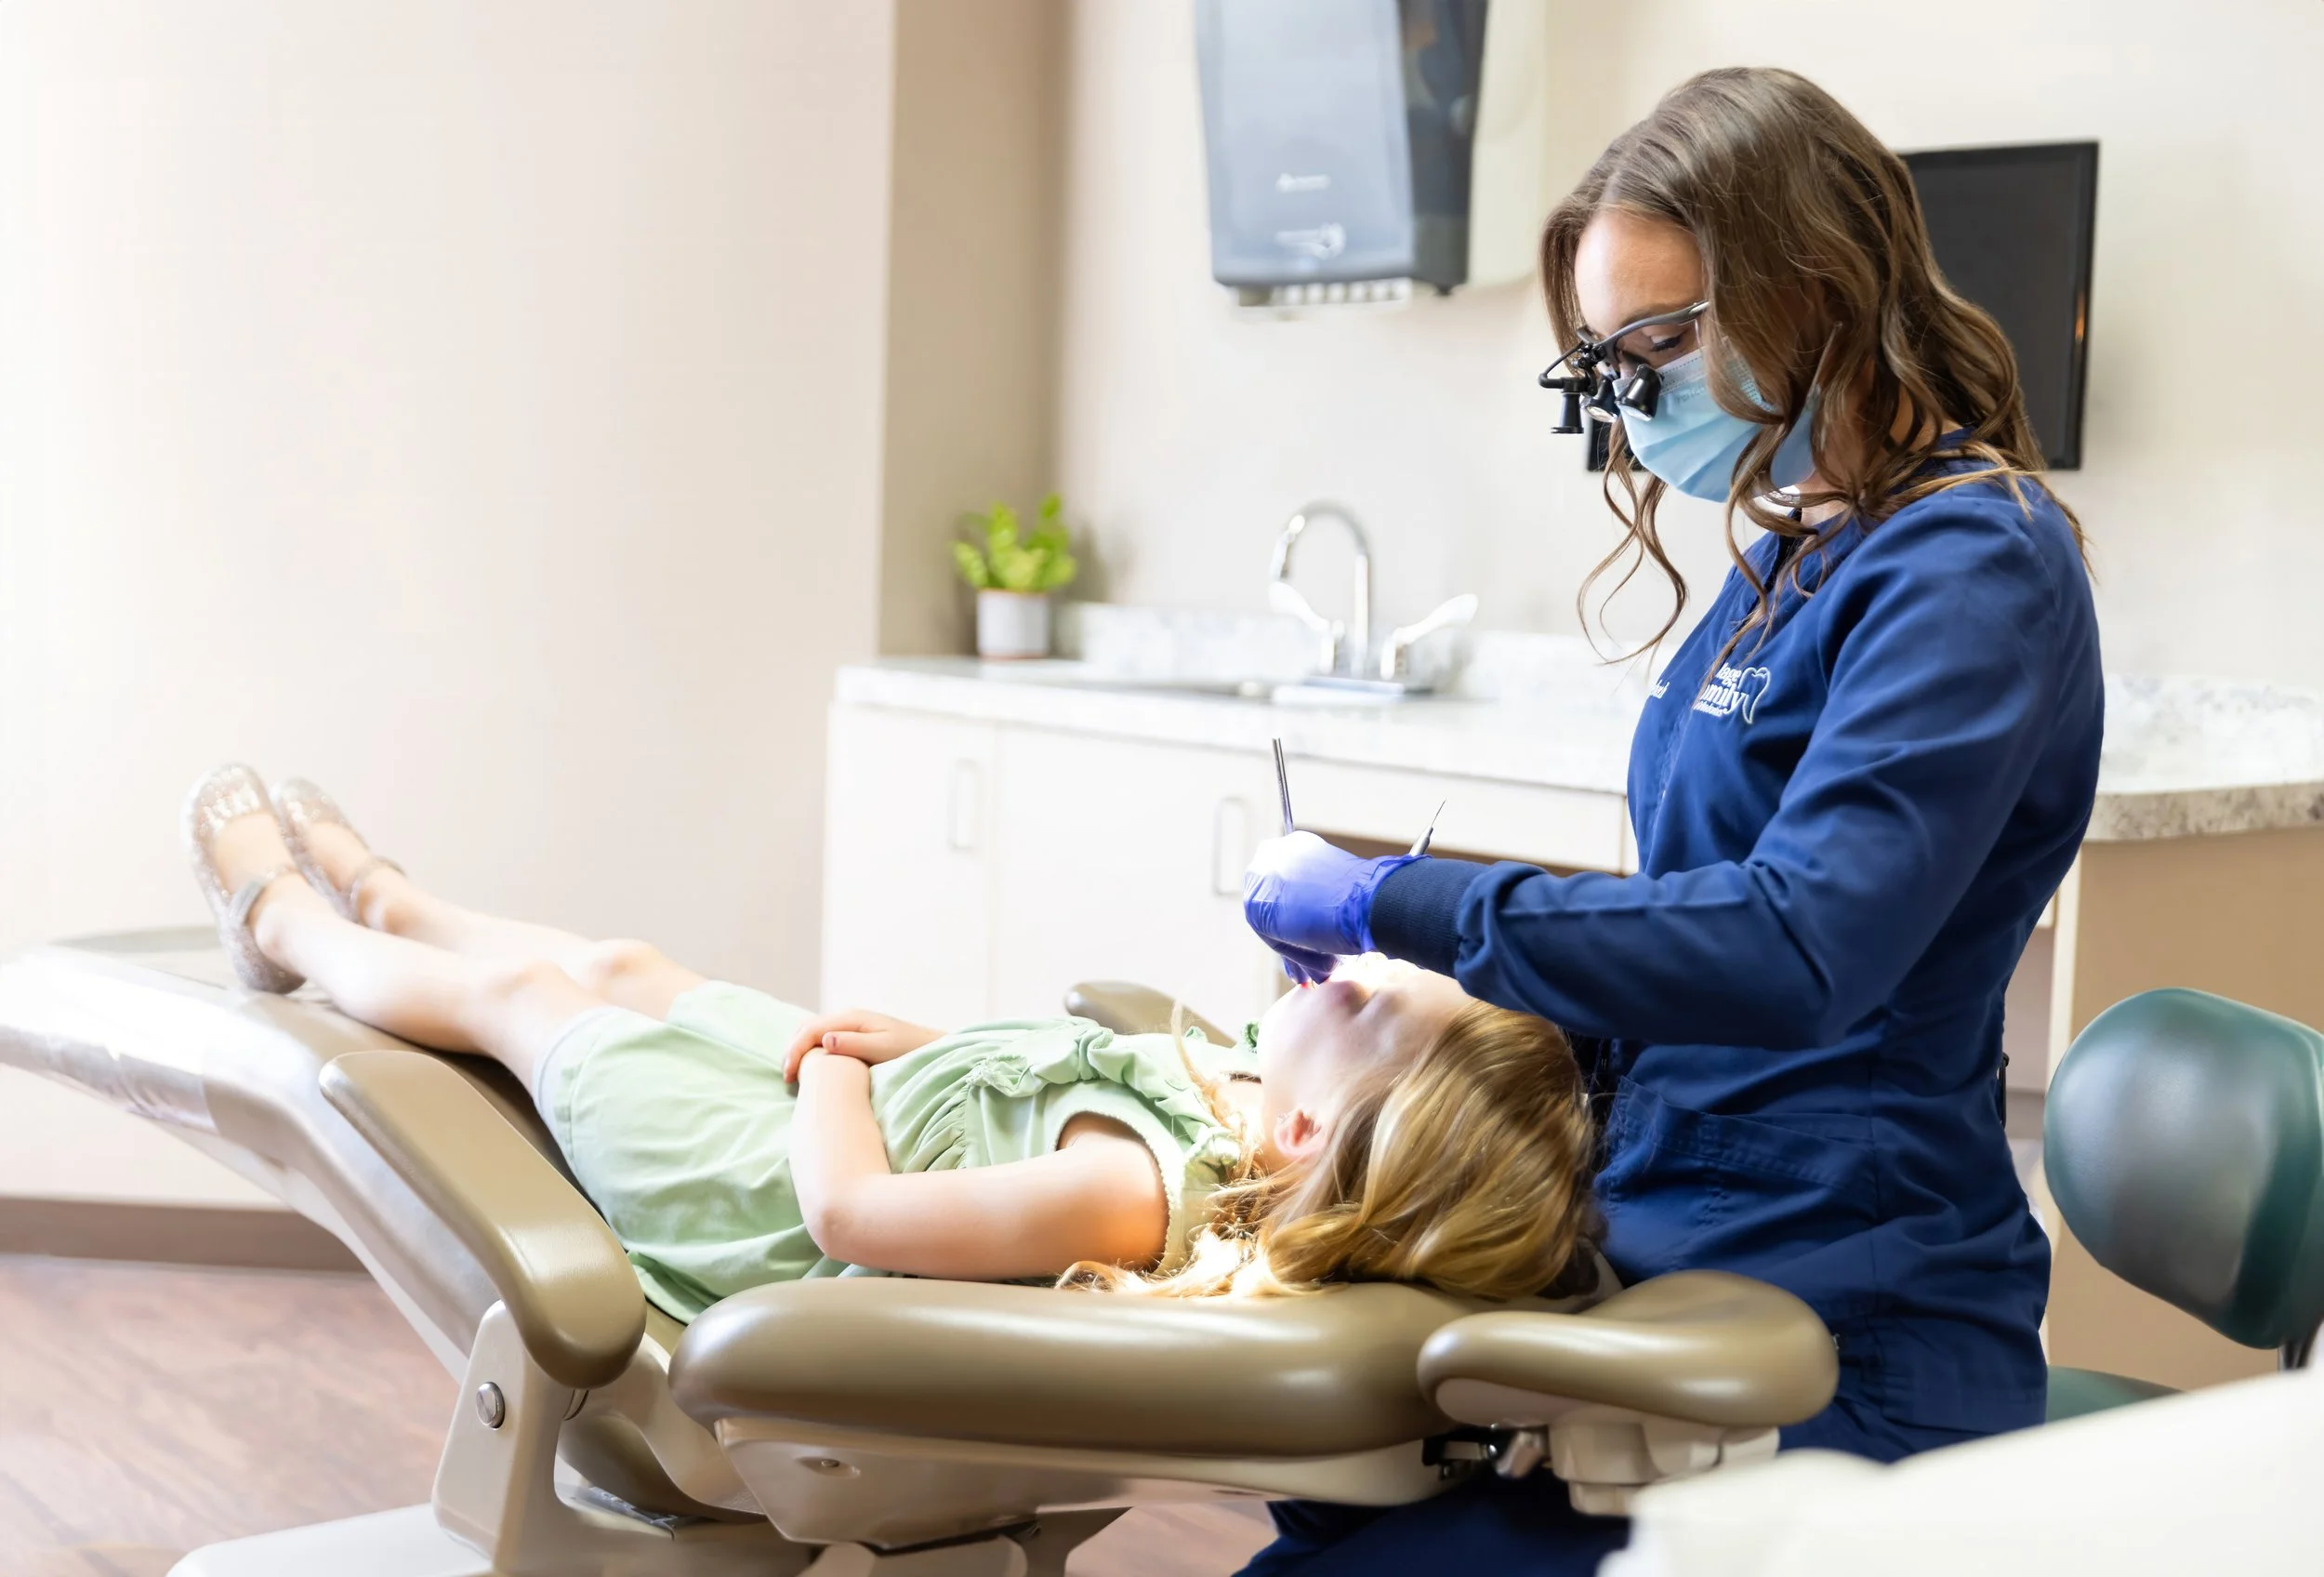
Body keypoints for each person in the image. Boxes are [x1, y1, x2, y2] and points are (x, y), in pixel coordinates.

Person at [1240, 66, 2102, 1574]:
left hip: (1847, 1314)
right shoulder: (1786, 561)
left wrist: (1406, 904)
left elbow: (1797, 944)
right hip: (1687, 1231)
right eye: (1610, 358)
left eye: (1668, 338)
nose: (1640, 395)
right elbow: (1694, 922)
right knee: (1328, 1501)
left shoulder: (1975, 565)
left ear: (1817, 282)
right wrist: (1437, 1028)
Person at [181, 762, 1600, 1317]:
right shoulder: (1223, 1100)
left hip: (753, 1178)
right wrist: (924, 1051)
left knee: (534, 1008)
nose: (1336, 970)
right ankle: (394, 898)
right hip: (848, 1089)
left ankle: (293, 928)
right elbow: (1042, 1093)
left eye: (1358, 1002)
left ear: (1307, 1136)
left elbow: (850, 1210)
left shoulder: (1138, 1189)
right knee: (624, 963)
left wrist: (843, 1074)